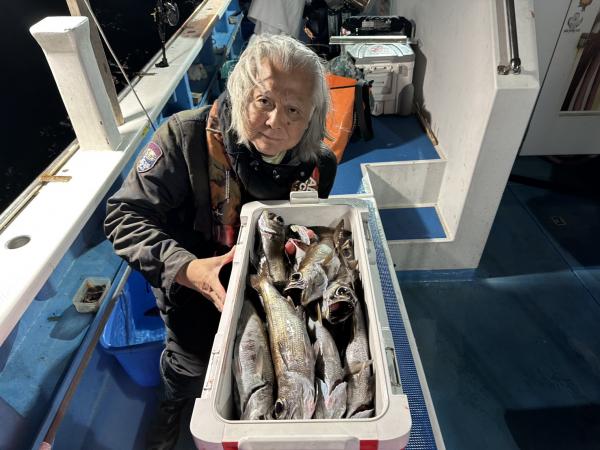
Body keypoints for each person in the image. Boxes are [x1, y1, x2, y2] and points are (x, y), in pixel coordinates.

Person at [104, 34, 337, 449]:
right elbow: (124, 216)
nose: (275, 121)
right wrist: (185, 268)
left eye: (294, 109)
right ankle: (172, 404)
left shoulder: (318, 166)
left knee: (278, 366)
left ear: (311, 117)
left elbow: (312, 230)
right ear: (242, 90)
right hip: (196, 286)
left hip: (279, 288)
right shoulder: (184, 138)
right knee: (191, 364)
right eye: (264, 101)